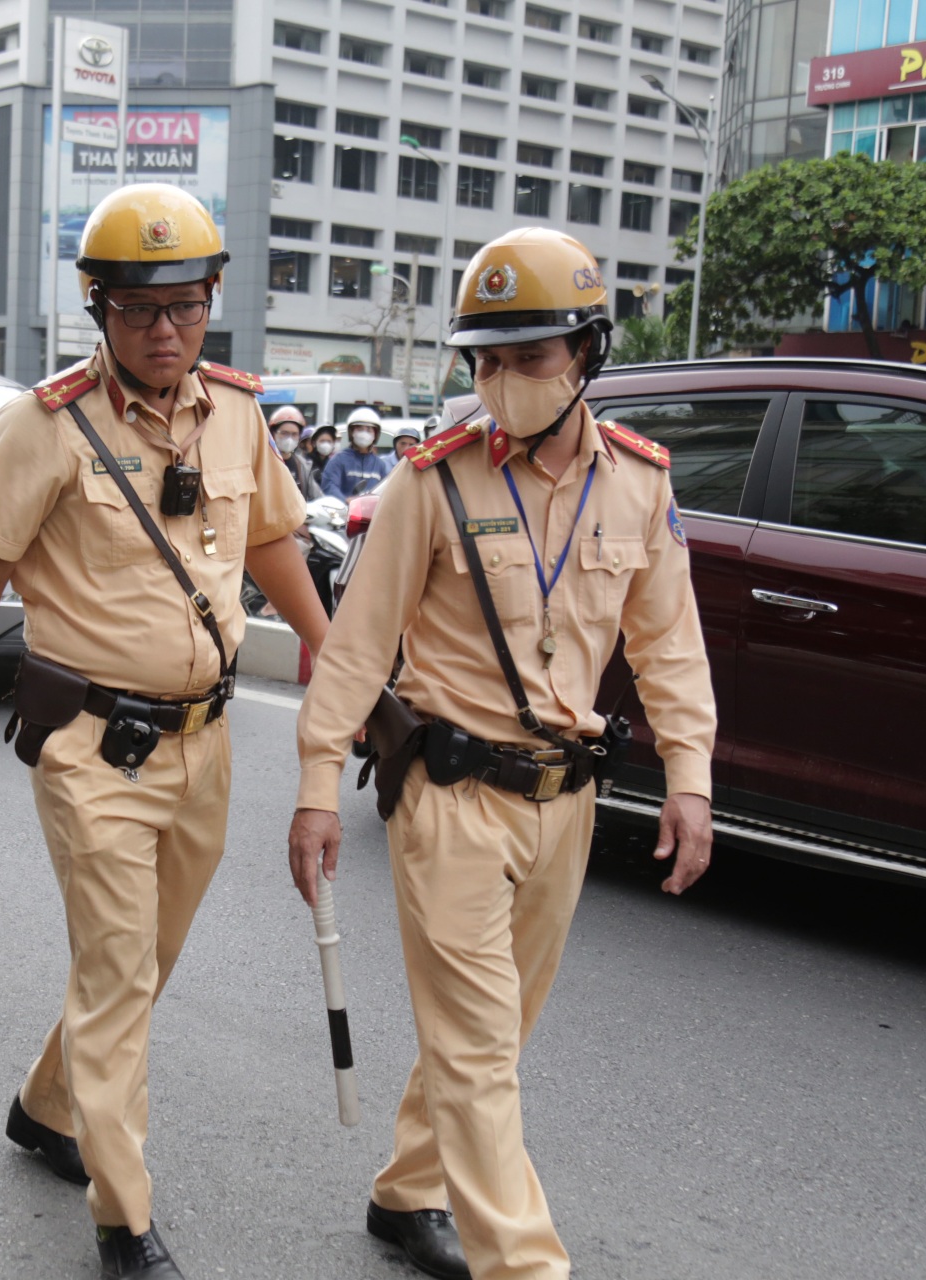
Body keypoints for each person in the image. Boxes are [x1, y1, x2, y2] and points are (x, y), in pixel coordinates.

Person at [0, 184, 330, 1280]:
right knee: (118, 966)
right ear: (97, 307)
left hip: (207, 740)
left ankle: (50, 1106)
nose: (164, 330)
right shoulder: (44, 427)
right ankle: (122, 1216)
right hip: (92, 747)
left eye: (184, 307)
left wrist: (329, 646)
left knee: (145, 961)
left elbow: (275, 538)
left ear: (212, 301)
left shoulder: (236, 413)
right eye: (139, 309)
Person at [286, 228, 717, 1280]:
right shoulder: (432, 483)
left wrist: (691, 781)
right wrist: (311, 792)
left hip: (566, 802)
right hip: (452, 798)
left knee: (496, 1030)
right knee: (481, 1047)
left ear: (586, 354)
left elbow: (670, 646)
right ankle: (525, 1264)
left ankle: (407, 1189)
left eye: (527, 357)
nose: (502, 382)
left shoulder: (640, 487)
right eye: (485, 361)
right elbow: (356, 650)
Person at [320, 405, 393, 499]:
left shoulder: (380, 465)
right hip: (345, 511)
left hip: (371, 512)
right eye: (360, 429)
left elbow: (386, 491)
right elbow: (329, 486)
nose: (364, 433)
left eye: (369, 429)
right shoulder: (339, 460)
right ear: (351, 432)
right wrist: (345, 500)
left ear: (375, 434)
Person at [269, 404, 322, 499]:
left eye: (294, 434)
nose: (289, 438)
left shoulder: (303, 465)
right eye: (284, 433)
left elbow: (318, 496)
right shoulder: (263, 462)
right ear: (273, 434)